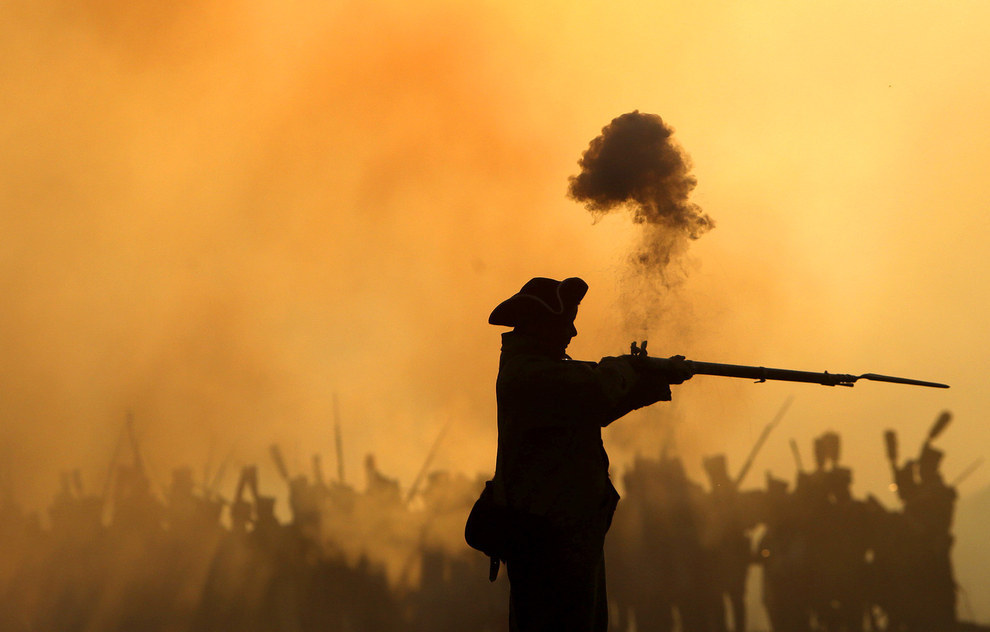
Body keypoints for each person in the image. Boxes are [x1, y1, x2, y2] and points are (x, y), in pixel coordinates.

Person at [487, 276, 692, 632]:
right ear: (543, 326)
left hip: (561, 534)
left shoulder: (541, 373)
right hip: (547, 539)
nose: (573, 332)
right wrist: (626, 366)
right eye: (566, 321)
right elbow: (595, 392)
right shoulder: (529, 376)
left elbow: (597, 405)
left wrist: (652, 379)